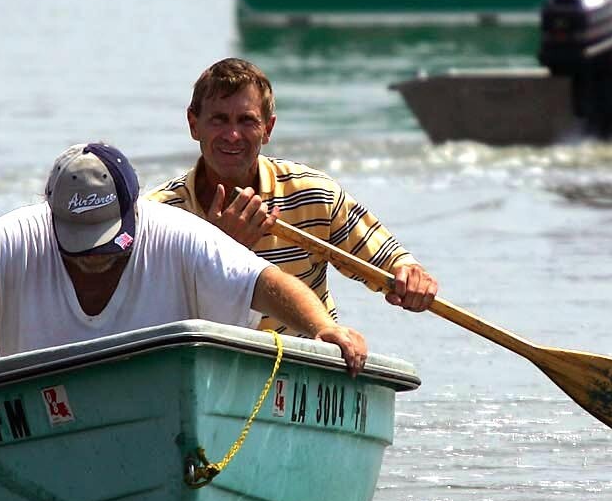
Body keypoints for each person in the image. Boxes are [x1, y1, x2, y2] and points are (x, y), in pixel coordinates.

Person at [0, 142, 366, 414]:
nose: (91, 257)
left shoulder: (175, 231)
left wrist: (326, 331)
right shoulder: (16, 238)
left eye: (104, 241)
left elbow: (266, 282)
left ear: (132, 212)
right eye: (78, 244)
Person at [147, 58, 439, 331]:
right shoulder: (157, 216)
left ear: (268, 128)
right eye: (219, 120)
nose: (232, 135)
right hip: (206, 362)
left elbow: (392, 263)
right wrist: (220, 249)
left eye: (247, 121)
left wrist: (412, 278)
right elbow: (147, 314)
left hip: (306, 364)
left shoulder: (313, 195)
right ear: (193, 124)